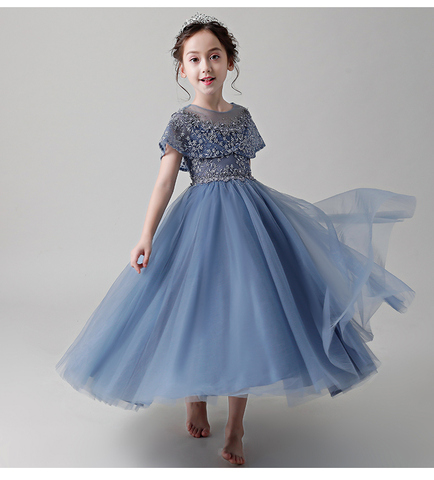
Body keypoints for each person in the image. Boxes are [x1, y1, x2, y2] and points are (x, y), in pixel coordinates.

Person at [55, 12, 417, 466]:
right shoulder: (182, 121)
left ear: (230, 63)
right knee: (194, 308)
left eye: (214, 56)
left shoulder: (242, 117)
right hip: (198, 223)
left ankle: (236, 426)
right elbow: (165, 181)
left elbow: (243, 170)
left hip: (249, 223)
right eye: (194, 59)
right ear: (182, 70)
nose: (205, 66)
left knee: (247, 312)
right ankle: (195, 397)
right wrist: (146, 235)